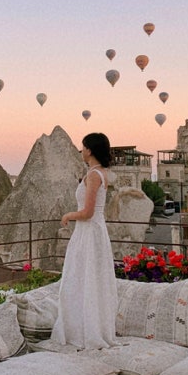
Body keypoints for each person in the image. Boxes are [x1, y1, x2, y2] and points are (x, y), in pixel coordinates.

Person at [50, 132, 118, 350]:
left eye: (83, 147)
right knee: (88, 278)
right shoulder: (98, 173)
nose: (81, 150)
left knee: (81, 277)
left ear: (89, 150)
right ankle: (86, 327)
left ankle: (84, 330)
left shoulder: (94, 175)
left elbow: (88, 212)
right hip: (91, 231)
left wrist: (68, 215)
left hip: (88, 231)